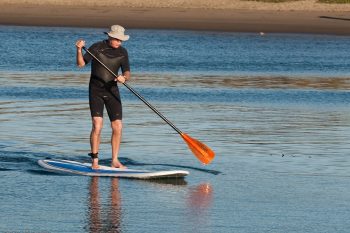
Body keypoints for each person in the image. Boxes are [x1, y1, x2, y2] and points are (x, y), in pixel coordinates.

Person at [75, 25, 131, 169]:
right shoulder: (96, 47)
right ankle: (95, 160)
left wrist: (124, 78)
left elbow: (127, 72)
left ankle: (115, 160)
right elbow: (81, 64)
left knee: (117, 126)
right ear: (110, 37)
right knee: (97, 125)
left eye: (121, 40)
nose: (119, 42)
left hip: (112, 91)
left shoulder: (123, 52)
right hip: (96, 91)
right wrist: (79, 50)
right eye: (117, 39)